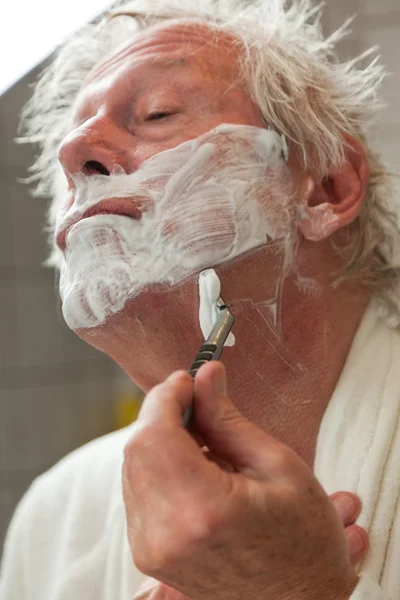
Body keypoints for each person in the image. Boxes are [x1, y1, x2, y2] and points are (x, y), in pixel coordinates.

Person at [1, 0, 400, 598]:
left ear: (325, 188)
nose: (74, 152)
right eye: (68, 163)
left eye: (157, 112)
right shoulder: (57, 519)